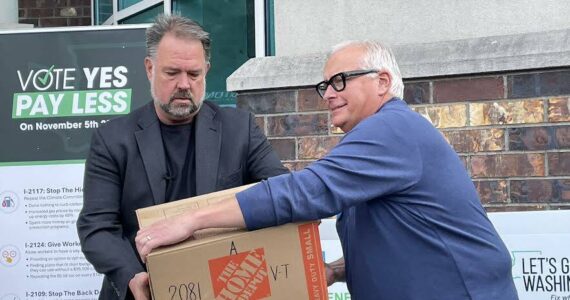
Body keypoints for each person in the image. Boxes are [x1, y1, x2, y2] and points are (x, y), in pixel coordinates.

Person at [135, 40, 519, 300]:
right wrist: (336, 270)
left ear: (382, 81)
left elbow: (303, 193)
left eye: (340, 81)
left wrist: (191, 221)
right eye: (325, 85)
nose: (329, 93)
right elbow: (399, 237)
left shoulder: (392, 130)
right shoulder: (379, 141)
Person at [76, 14, 288, 300]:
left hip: (225, 285)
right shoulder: (113, 139)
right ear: (150, 69)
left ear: (207, 71)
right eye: (172, 72)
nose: (184, 84)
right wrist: (132, 276)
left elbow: (281, 192)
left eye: (194, 74)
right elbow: (97, 227)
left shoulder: (240, 129)